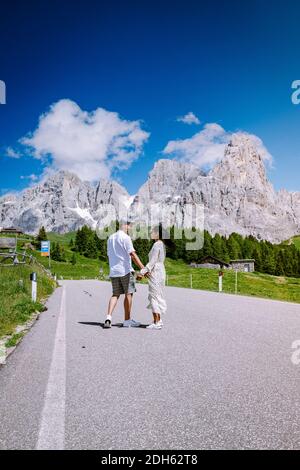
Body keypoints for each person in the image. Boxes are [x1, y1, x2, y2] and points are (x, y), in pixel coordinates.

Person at [104, 221, 146, 329]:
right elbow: (132, 254)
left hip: (114, 271)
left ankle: (108, 317)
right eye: (130, 225)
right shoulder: (126, 238)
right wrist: (143, 268)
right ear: (125, 225)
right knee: (128, 294)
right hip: (125, 271)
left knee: (115, 294)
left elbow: (109, 254)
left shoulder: (110, 238)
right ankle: (127, 320)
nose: (130, 228)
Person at [139, 225, 167, 330]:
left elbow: (152, 261)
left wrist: (142, 272)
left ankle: (157, 322)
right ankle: (158, 320)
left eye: (152, 232)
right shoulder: (162, 245)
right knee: (157, 295)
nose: (151, 234)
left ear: (157, 234)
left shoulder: (157, 244)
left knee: (154, 296)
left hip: (156, 272)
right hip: (160, 271)